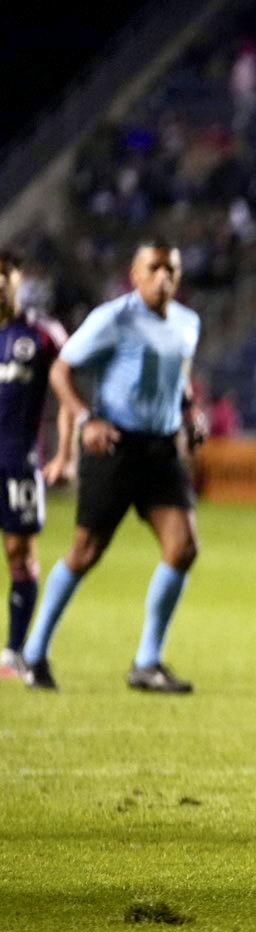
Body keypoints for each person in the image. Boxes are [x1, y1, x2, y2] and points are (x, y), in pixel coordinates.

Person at [22, 241, 205, 692]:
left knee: (182, 548)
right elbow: (61, 371)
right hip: (115, 447)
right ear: (135, 273)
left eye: (171, 269)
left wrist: (189, 413)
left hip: (161, 450)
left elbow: (176, 379)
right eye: (154, 268)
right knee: (86, 552)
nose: (164, 277)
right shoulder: (113, 318)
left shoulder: (187, 323)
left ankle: (147, 662)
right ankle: (34, 653)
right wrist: (87, 420)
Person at [0, 251, 67, 678]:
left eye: (5, 277)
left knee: (20, 553)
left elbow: (69, 390)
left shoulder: (42, 334)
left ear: (19, 282)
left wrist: (67, 452)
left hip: (18, 461)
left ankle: (14, 652)